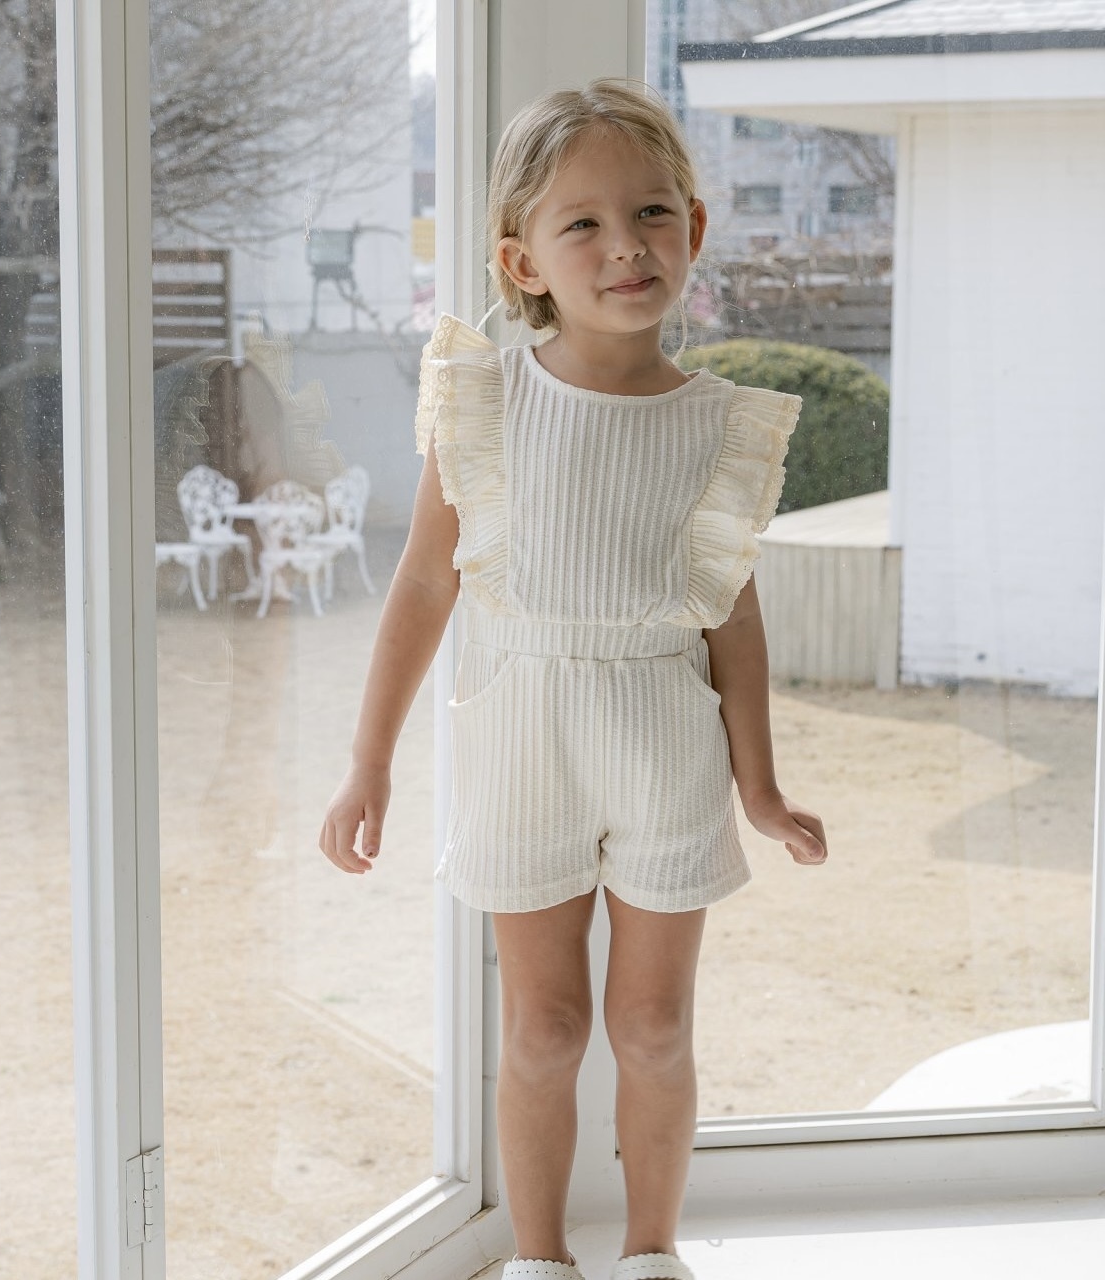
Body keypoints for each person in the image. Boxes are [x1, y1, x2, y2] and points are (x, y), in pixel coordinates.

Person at [320, 79, 828, 1280]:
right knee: (543, 1026)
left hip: (662, 744)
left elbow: (731, 612)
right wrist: (368, 763)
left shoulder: (718, 423)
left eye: (650, 213)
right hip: (520, 742)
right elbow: (423, 585)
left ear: (691, 229)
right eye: (583, 224)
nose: (625, 247)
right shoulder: (484, 401)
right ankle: (538, 1259)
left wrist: (758, 785)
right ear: (522, 260)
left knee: (652, 1023)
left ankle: (651, 1250)